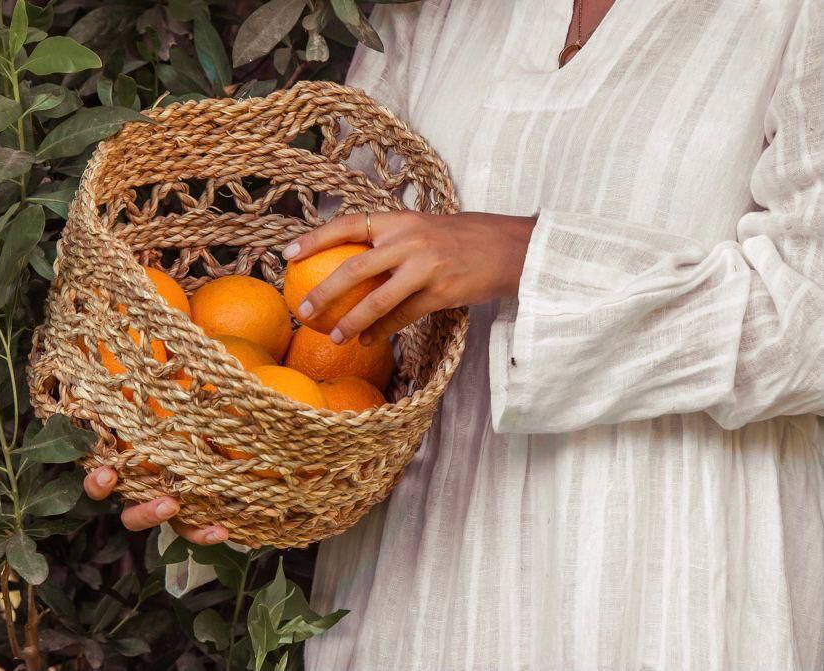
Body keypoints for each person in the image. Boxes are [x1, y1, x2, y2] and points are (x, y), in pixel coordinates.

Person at [85, 0, 824, 668]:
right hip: (410, 600)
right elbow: (338, 330)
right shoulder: (426, 13)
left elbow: (808, 323)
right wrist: (232, 466)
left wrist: (523, 254)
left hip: (662, 592)